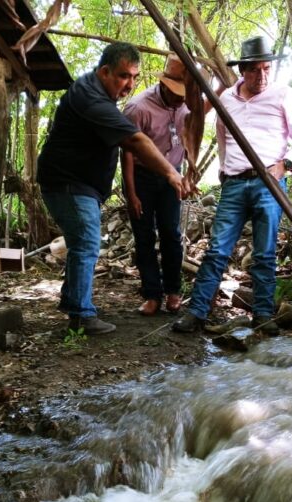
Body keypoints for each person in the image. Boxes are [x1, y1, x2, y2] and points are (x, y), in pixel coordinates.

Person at [37, 42, 189, 336]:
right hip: (68, 183)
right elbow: (134, 141)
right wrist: (172, 173)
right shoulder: (89, 98)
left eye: (134, 77)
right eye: (123, 76)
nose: (130, 84)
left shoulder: (96, 93)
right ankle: (81, 315)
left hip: (78, 184)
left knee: (82, 242)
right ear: (104, 72)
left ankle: (74, 303)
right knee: (87, 243)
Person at [172, 36, 292, 335]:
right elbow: (222, 138)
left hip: (268, 183)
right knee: (217, 250)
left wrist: (285, 165)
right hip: (234, 183)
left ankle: (262, 315)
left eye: (266, 70)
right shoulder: (227, 100)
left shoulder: (283, 94)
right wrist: (224, 170)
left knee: (264, 253)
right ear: (243, 70)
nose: (261, 76)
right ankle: (196, 312)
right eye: (255, 70)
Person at [122, 54, 189, 316]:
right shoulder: (138, 107)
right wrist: (131, 192)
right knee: (144, 236)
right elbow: (127, 151)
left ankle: (173, 291)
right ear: (163, 86)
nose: (181, 99)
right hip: (142, 176)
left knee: (171, 234)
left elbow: (194, 126)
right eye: (176, 94)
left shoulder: (186, 104)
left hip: (174, 175)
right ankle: (152, 295)